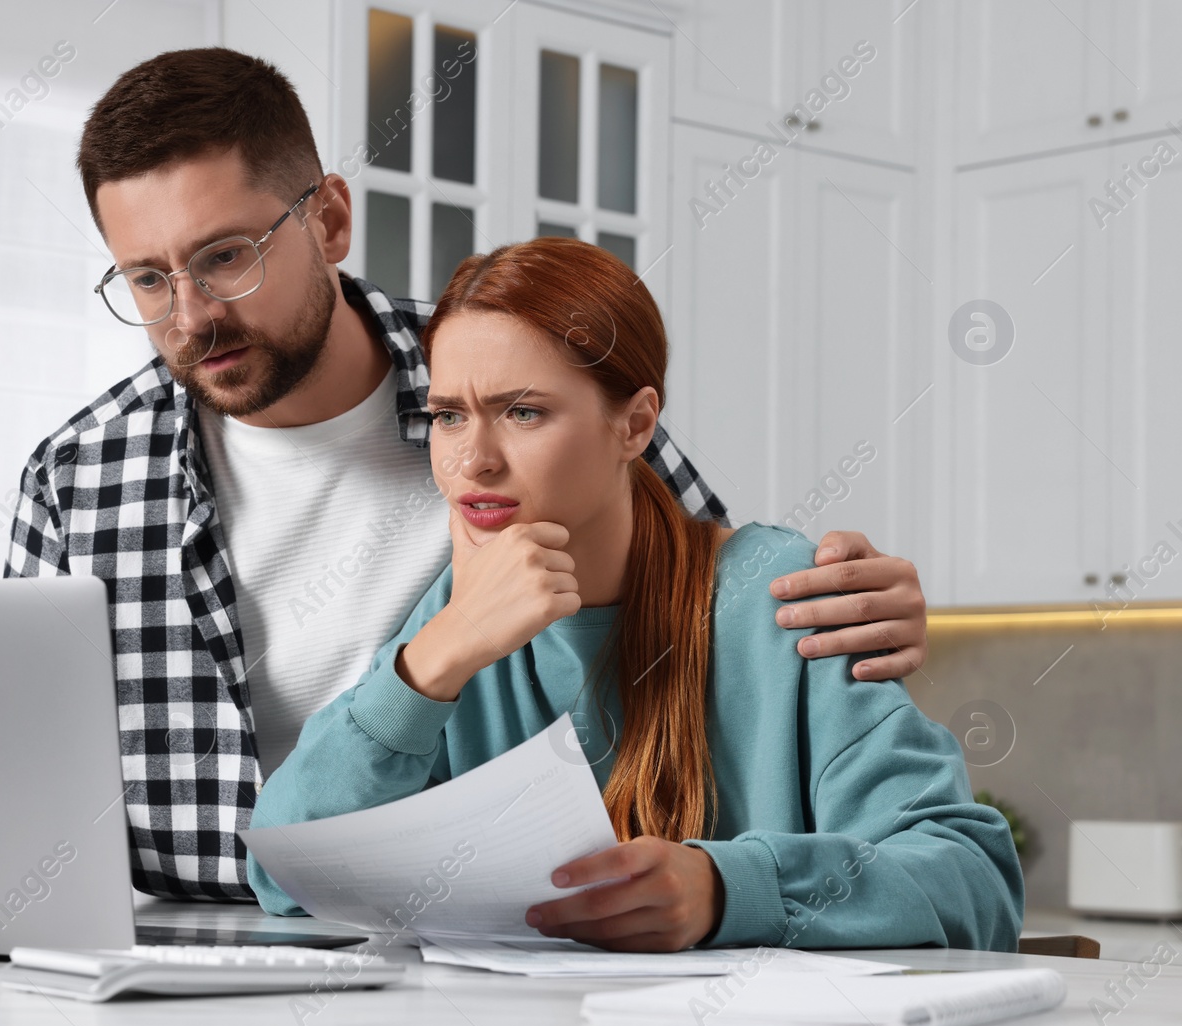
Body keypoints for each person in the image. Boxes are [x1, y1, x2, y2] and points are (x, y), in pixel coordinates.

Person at [5, 48, 932, 904]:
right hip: (198, 937)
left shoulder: (498, 361)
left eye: (224, 257)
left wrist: (845, 599)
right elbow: (18, 779)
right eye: (148, 279)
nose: (192, 315)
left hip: (469, 935)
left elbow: (701, 601)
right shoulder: (79, 475)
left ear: (328, 219)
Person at [247, 238, 1023, 952]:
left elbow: (973, 878)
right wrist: (434, 658)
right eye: (449, 415)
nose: (472, 460)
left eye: (523, 411)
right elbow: (284, 872)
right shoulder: (464, 616)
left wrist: (729, 891)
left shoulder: (776, 595)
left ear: (635, 424)